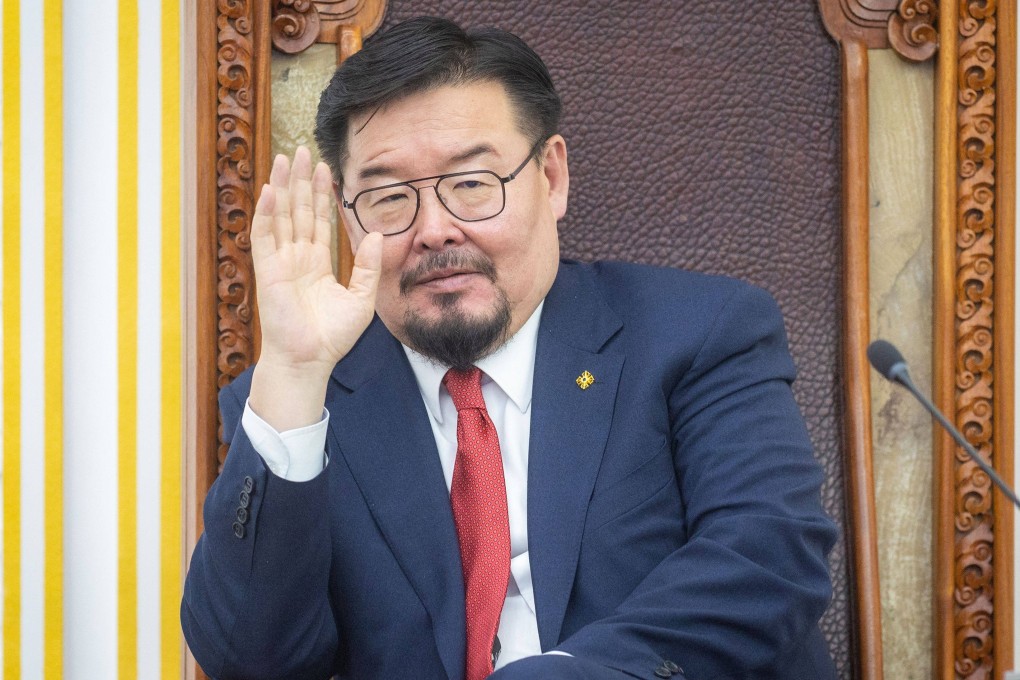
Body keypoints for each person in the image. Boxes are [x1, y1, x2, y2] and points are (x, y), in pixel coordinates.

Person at [181, 15, 838, 680]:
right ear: (347, 217)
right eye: (388, 198)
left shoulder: (698, 334)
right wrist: (294, 372)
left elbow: (766, 563)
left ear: (550, 177)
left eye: (471, 184)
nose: (434, 230)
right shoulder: (300, 406)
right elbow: (250, 661)